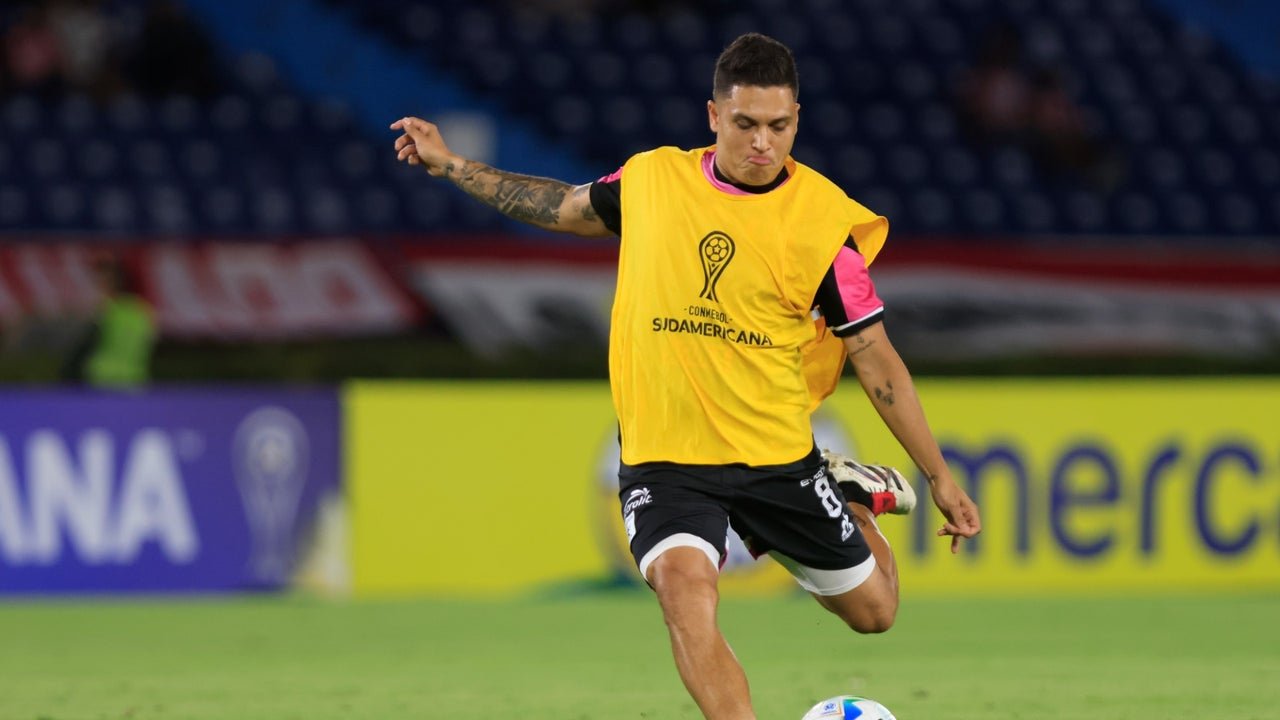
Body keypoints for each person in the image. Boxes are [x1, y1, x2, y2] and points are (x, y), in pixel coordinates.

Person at [392, 32, 981, 720]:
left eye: (779, 126)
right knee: (684, 590)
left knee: (875, 612)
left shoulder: (825, 227)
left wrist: (938, 475)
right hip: (666, 459)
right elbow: (562, 207)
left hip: (774, 455)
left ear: (797, 120)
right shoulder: (651, 182)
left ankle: (848, 492)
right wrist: (452, 166)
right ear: (713, 115)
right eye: (745, 123)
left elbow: (876, 358)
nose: (762, 142)